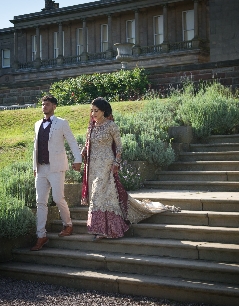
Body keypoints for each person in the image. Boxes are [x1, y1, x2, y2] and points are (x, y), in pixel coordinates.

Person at [81, 97, 180, 240]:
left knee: (99, 194)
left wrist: (117, 162)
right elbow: (87, 143)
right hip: (93, 166)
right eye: (92, 111)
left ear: (103, 111)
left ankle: (108, 230)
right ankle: (100, 229)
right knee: (99, 196)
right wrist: (82, 152)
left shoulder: (111, 126)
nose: (93, 114)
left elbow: (119, 146)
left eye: (96, 111)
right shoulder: (91, 126)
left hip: (106, 164)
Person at [31, 95, 82, 251]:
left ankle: (68, 224)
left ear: (54, 106)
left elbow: (72, 141)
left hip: (56, 167)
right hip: (41, 168)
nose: (44, 106)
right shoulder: (37, 124)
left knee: (58, 198)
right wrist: (34, 167)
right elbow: (36, 146)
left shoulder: (62, 123)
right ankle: (41, 236)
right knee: (40, 201)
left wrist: (78, 159)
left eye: (47, 104)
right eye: (42, 104)